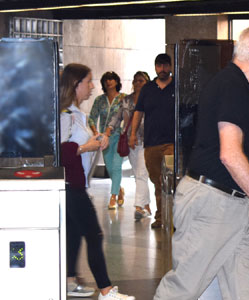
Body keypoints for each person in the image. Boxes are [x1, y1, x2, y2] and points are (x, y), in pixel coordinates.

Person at [153, 25, 249, 300]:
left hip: (238, 204)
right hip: (213, 205)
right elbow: (230, 154)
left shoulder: (245, 91)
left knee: (245, 292)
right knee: (183, 289)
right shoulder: (231, 86)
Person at [59, 63, 135, 300]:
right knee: (94, 235)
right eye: (88, 82)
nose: (92, 87)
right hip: (71, 186)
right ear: (75, 84)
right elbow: (60, 151)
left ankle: (70, 280)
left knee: (73, 233)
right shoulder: (65, 116)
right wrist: (87, 146)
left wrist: (96, 140)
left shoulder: (77, 114)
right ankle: (105, 290)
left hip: (76, 184)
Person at [129, 54, 175, 229]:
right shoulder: (148, 89)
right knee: (157, 181)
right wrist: (133, 134)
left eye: (165, 66)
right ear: (155, 67)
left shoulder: (176, 87)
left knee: (171, 180)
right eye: (159, 66)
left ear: (170, 66)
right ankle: (161, 218)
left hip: (171, 143)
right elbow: (138, 112)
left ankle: (174, 217)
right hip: (151, 143)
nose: (162, 69)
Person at [109, 71, 152, 220]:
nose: (138, 83)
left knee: (141, 173)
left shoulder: (151, 100)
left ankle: (139, 207)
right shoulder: (126, 101)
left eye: (141, 81)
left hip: (147, 141)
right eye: (136, 81)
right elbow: (117, 116)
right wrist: (109, 130)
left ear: (147, 83)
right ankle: (146, 204)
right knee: (139, 174)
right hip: (130, 142)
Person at [88, 71, 128, 209]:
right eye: (106, 80)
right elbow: (92, 117)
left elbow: (128, 117)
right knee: (110, 167)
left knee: (117, 166)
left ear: (116, 81)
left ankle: (113, 196)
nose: (108, 82)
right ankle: (120, 190)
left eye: (111, 79)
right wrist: (95, 132)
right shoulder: (99, 100)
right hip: (103, 140)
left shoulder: (124, 98)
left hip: (118, 136)